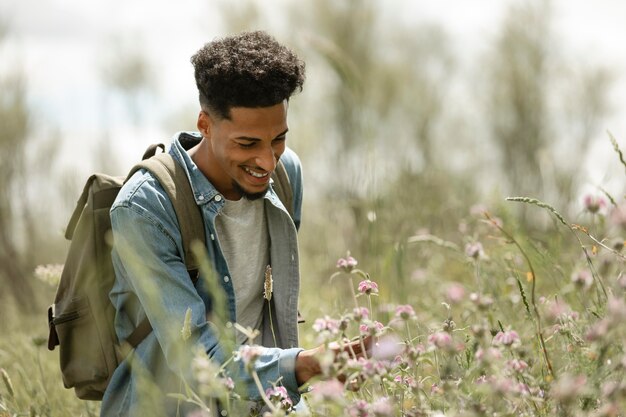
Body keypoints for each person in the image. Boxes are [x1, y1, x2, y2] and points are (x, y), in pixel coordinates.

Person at [100, 31, 365, 416]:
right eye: (247, 143)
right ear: (205, 125)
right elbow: (195, 357)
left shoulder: (287, 175)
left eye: (278, 139)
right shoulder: (144, 208)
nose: (267, 162)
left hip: (266, 400)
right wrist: (303, 364)